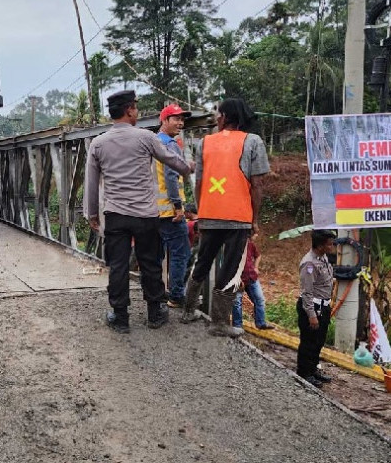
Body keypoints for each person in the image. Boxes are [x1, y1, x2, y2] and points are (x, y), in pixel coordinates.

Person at [85, 90, 192, 333]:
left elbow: (92, 183)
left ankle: (120, 316)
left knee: (119, 265)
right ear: (130, 110)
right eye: (136, 108)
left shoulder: (98, 143)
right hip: (145, 215)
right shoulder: (146, 137)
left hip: (116, 216)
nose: (137, 112)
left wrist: (93, 214)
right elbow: (173, 162)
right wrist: (191, 168)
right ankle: (155, 312)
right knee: (150, 263)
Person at [181, 98, 270, 337]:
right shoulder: (253, 141)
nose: (217, 117)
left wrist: (202, 210)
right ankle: (219, 323)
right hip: (238, 216)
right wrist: (255, 218)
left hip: (210, 214)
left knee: (202, 261)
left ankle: (188, 309)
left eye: (219, 113)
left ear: (227, 116)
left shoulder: (205, 143)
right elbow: (257, 184)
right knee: (230, 268)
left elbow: (199, 182)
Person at [155, 104, 193, 308]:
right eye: (175, 119)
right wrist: (178, 206)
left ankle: (156, 293)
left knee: (156, 255)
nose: (180, 123)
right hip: (170, 211)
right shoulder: (170, 144)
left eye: (182, 119)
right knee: (182, 254)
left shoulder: (150, 142)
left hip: (152, 211)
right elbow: (171, 175)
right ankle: (176, 296)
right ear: (164, 120)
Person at [297, 229, 336, 387]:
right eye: (329, 243)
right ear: (320, 246)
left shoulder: (323, 257)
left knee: (319, 341)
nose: (332, 246)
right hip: (312, 306)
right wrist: (311, 315)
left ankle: (313, 369)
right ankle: (304, 373)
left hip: (323, 305)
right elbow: (307, 292)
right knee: (309, 341)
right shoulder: (310, 263)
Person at [231, 231, 274, 330]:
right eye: (255, 234)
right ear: (250, 234)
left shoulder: (250, 245)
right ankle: (237, 326)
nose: (257, 236)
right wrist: (237, 278)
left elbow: (258, 255)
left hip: (251, 277)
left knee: (259, 299)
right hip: (239, 279)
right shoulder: (234, 246)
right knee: (237, 302)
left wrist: (256, 267)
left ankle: (261, 323)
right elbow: (231, 263)